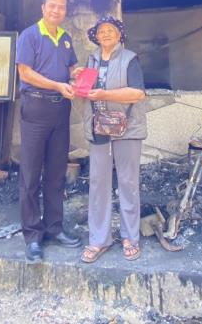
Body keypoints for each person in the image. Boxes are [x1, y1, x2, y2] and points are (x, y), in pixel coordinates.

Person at [15, 0, 82, 263]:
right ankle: (33, 235)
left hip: (60, 109)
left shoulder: (65, 38)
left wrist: (76, 74)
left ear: (65, 11)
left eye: (61, 7)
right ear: (43, 8)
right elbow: (25, 72)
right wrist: (57, 85)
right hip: (36, 107)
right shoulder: (29, 35)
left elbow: (71, 66)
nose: (56, 10)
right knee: (31, 174)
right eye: (52, 6)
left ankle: (54, 227)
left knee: (56, 172)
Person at [80, 15, 147, 263]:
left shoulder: (129, 58)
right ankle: (99, 239)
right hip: (98, 127)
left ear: (119, 35)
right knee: (98, 184)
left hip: (126, 128)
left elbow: (138, 93)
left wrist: (105, 94)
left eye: (111, 30)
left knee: (128, 182)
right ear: (96, 37)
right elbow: (85, 90)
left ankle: (130, 237)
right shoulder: (92, 60)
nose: (106, 33)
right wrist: (78, 81)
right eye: (101, 31)